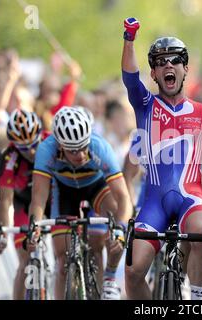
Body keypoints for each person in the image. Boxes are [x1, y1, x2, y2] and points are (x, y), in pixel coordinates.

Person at [121, 17, 202, 300]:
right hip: (154, 202)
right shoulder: (145, 104)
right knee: (133, 271)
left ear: (185, 68)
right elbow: (129, 78)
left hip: (192, 198)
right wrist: (129, 39)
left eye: (175, 60)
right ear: (153, 74)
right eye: (160, 62)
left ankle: (197, 299)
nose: (168, 65)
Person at [27, 106, 132, 300]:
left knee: (111, 227)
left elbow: (124, 197)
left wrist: (120, 228)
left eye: (84, 146)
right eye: (74, 150)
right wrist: (34, 227)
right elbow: (39, 198)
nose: (81, 155)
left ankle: (109, 280)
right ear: (60, 146)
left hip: (96, 187)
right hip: (65, 192)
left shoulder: (100, 146)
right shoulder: (46, 150)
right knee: (62, 259)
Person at [0, 109, 50, 299]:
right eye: (24, 148)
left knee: (64, 250)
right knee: (25, 262)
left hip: (53, 199)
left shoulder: (52, 143)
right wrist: (1, 232)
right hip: (23, 204)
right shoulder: (9, 157)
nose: (31, 152)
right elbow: (5, 200)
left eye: (34, 144)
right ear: (15, 146)